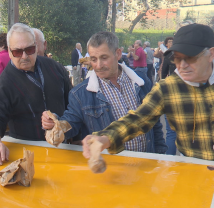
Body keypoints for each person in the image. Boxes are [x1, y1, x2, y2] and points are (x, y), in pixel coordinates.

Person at [82, 24, 214, 161]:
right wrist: (105, 138)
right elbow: (138, 119)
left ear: (211, 54)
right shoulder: (168, 88)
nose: (182, 65)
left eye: (191, 58)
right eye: (177, 58)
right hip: (193, 169)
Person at [42, 32, 166, 154]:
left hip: (146, 163)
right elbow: (71, 123)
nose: (99, 65)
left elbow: (154, 123)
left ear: (117, 54)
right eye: (94, 59)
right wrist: (55, 124)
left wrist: (159, 154)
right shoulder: (80, 94)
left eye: (104, 58)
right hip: (110, 166)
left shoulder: (141, 81)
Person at [0, 23, 72, 166]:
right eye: (18, 52)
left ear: (36, 47)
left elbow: (72, 104)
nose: (24, 56)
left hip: (63, 150)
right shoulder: (5, 81)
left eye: (29, 49)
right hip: (28, 154)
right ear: (10, 51)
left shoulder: (54, 67)